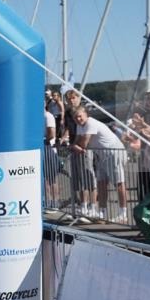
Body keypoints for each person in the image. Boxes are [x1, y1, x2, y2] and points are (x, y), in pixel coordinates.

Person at [73, 106, 128, 222]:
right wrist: (74, 146)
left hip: (113, 152)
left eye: (80, 116)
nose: (78, 119)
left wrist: (75, 146)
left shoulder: (90, 123)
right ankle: (102, 213)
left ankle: (123, 214)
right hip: (101, 155)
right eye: (75, 117)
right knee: (101, 183)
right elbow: (77, 141)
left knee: (119, 183)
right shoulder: (79, 125)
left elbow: (83, 144)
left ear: (86, 115)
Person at [62, 86, 96, 217]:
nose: (71, 101)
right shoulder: (69, 112)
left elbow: (88, 130)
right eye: (68, 99)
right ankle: (82, 206)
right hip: (73, 146)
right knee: (76, 179)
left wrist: (80, 145)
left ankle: (92, 207)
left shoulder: (83, 111)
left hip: (83, 148)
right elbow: (69, 128)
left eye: (73, 98)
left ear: (79, 98)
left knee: (88, 178)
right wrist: (64, 138)